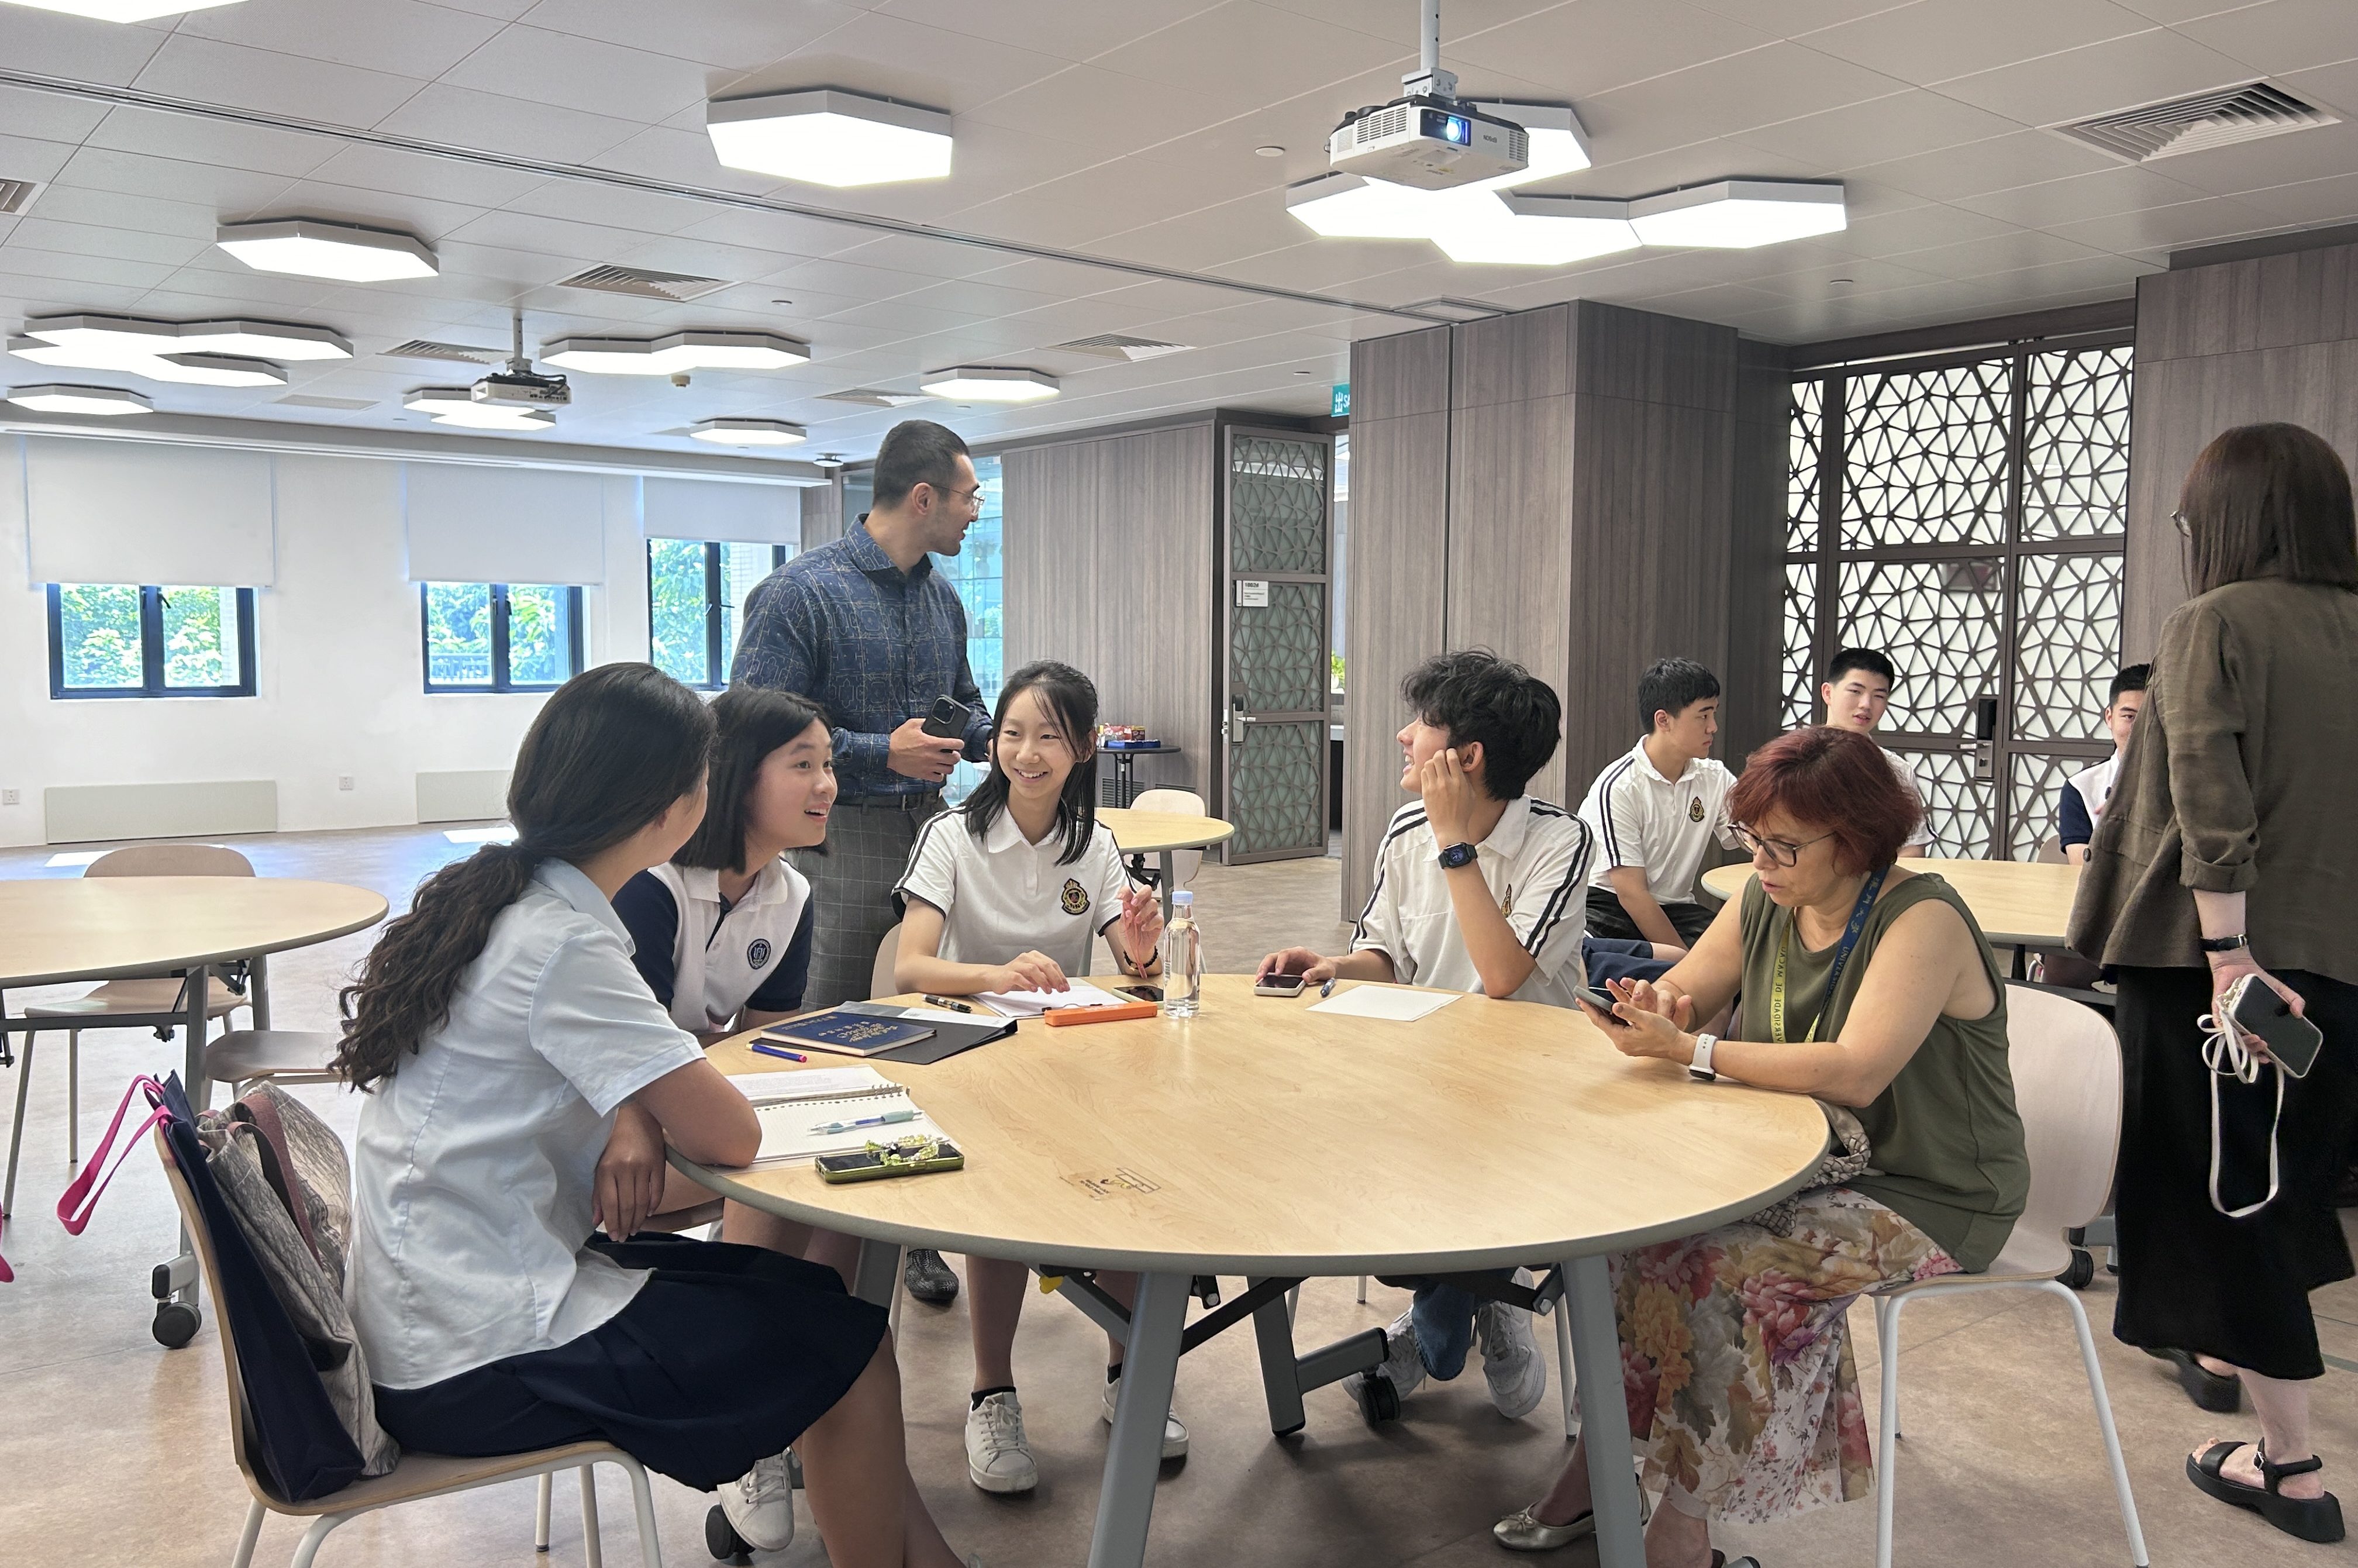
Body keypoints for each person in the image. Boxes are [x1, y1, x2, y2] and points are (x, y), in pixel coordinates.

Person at [336, 664, 972, 1567]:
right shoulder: (569, 940)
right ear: (671, 804)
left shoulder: (517, 901)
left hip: (451, 1302)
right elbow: (731, 1135)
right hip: (475, 1352)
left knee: (830, 1321)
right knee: (848, 1351)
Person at [1495, 725, 2026, 1567]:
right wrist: (1657, 1007)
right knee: (1630, 1240)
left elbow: (1856, 1071)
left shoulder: (1921, 917)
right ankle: (1602, 1468)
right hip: (1805, 1161)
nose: (1763, 861)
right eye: (1753, 839)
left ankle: (1685, 1521)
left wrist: (1694, 1048)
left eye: (1784, 846)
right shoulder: (1767, 897)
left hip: (1929, 1187)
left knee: (1724, 1273)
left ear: (1856, 840)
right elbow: (1688, 988)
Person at [2068, 422, 2358, 1545]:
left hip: (2220, 971)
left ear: (2227, 519)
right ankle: (2258, 1412)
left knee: (2230, 1206)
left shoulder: (2215, 622)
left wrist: (2229, 954)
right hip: (2338, 973)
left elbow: (2206, 791)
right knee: (2281, 1194)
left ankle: (2291, 1469)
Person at [1256, 649, 1594, 1426]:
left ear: (1467, 757)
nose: (1404, 737)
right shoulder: (1407, 829)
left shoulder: (1560, 841)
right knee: (1323, 1146)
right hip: (1424, 1071)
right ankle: (1490, 1288)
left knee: (1455, 1158)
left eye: (1422, 725)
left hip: (1534, 1089)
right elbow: (1388, 957)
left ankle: (1447, 1318)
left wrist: (1453, 842)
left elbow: (1502, 975)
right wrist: (1334, 965)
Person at [889, 661, 1174, 1495]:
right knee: (1000, 1202)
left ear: (1083, 747)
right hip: (969, 1053)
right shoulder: (951, 835)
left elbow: (1138, 969)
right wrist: (997, 973)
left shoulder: (1096, 845)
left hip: (1066, 1053)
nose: (1027, 752)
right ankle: (992, 1392)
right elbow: (911, 967)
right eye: (1012, 733)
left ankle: (1129, 1375)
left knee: (1129, 1175)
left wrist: (1145, 944)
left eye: (1049, 735)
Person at [732, 416, 991, 1308]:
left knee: (924, 1037)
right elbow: (755, 728)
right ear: (922, 498)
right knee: (827, 1043)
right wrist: (885, 751)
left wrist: (1017, 734)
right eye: (968, 497)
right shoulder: (799, 594)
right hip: (836, 844)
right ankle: (792, 1233)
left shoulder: (943, 601)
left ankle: (911, 1232)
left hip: (933, 842)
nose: (975, 513)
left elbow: (965, 705)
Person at [612, 684, 858, 1281]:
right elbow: (627, 1055)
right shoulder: (654, 883)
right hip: (617, 1119)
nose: (826, 785)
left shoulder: (791, 895)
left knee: (847, 1154)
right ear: (737, 776)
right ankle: (752, 1309)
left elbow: (762, 1049)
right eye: (803, 764)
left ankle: (820, 1319)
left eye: (828, 764)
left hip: (683, 1097)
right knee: (794, 1157)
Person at [1578, 657, 1738, 950]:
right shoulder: (1619, 787)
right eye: (1703, 716)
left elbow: (1754, 833)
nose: (1713, 727)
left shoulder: (1715, 777)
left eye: (1714, 713)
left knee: (1739, 950)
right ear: (1663, 720)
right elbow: (1632, 894)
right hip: (1610, 908)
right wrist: (1685, 962)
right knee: (1607, 961)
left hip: (1677, 910)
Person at [1819, 647, 1932, 858]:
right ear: (1828, 693)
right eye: (1856, 691)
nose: (1866, 705)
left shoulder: (1895, 769)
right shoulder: (1795, 759)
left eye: (1879, 696)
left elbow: (1912, 846)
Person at [2057, 664, 2149, 865]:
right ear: (2109, 717)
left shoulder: (2188, 787)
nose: (2140, 729)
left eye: (2150, 718)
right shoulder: (2080, 789)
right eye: (2130, 717)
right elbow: (2083, 871)